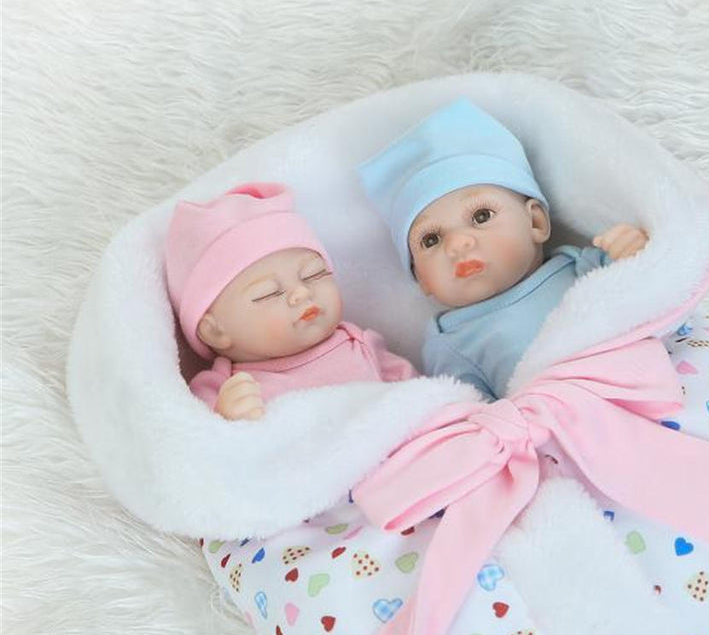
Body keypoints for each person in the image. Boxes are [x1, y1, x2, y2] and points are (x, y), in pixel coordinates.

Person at [358, 98, 648, 400]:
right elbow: (470, 415)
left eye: (481, 216)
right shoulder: (454, 343)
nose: (457, 244)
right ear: (421, 278)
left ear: (535, 222)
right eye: (431, 240)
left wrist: (633, 253)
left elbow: (651, 295)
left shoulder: (581, 268)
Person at [165, 182, 416, 420]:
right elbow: (198, 439)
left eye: (313, 274)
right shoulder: (224, 388)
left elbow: (421, 397)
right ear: (216, 331)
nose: (302, 293)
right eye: (268, 293)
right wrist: (227, 419)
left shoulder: (361, 344)